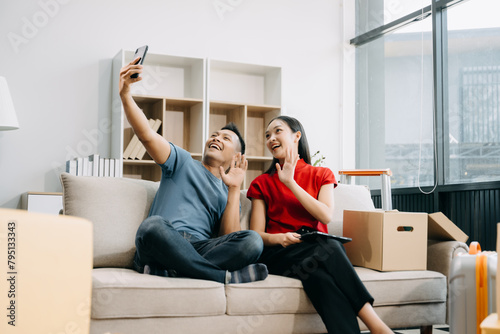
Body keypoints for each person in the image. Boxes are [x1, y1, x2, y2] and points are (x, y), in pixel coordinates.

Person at [119, 56, 268, 284]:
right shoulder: (182, 161)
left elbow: (229, 238)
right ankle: (219, 276)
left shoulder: (230, 194)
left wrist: (235, 188)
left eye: (225, 138)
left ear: (237, 157)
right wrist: (126, 94)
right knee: (152, 226)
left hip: (199, 248)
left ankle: (174, 269)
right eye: (214, 135)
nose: (216, 138)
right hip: (163, 240)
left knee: (253, 241)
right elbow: (147, 135)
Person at [247, 115, 393, 334]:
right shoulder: (262, 182)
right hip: (278, 252)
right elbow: (255, 234)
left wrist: (291, 183)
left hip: (314, 251)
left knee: (320, 278)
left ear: (297, 136)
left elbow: (325, 215)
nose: (271, 138)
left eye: (278, 131)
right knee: (331, 247)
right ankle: (376, 326)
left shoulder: (321, 174)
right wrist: (280, 238)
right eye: (267, 135)